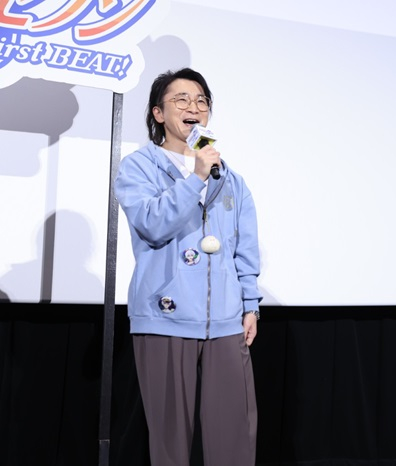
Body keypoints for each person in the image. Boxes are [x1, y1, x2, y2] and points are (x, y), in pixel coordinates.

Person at [115, 67, 262, 466]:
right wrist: (195, 177)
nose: (193, 107)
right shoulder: (138, 167)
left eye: (201, 101)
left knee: (235, 435)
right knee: (170, 441)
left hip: (226, 320)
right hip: (165, 316)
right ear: (158, 113)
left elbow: (244, 246)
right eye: (181, 99)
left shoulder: (230, 179)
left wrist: (250, 304)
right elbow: (151, 223)